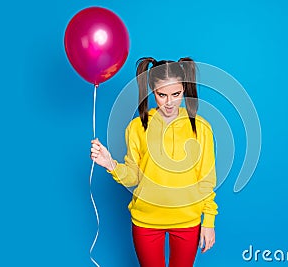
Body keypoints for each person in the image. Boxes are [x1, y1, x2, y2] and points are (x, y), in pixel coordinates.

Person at [90, 57, 218, 267]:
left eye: (176, 94)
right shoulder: (137, 128)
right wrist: (109, 163)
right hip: (146, 221)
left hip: (188, 221)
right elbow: (134, 175)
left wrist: (209, 222)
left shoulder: (201, 128)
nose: (169, 102)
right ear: (152, 91)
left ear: (184, 89)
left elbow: (206, 179)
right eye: (162, 95)